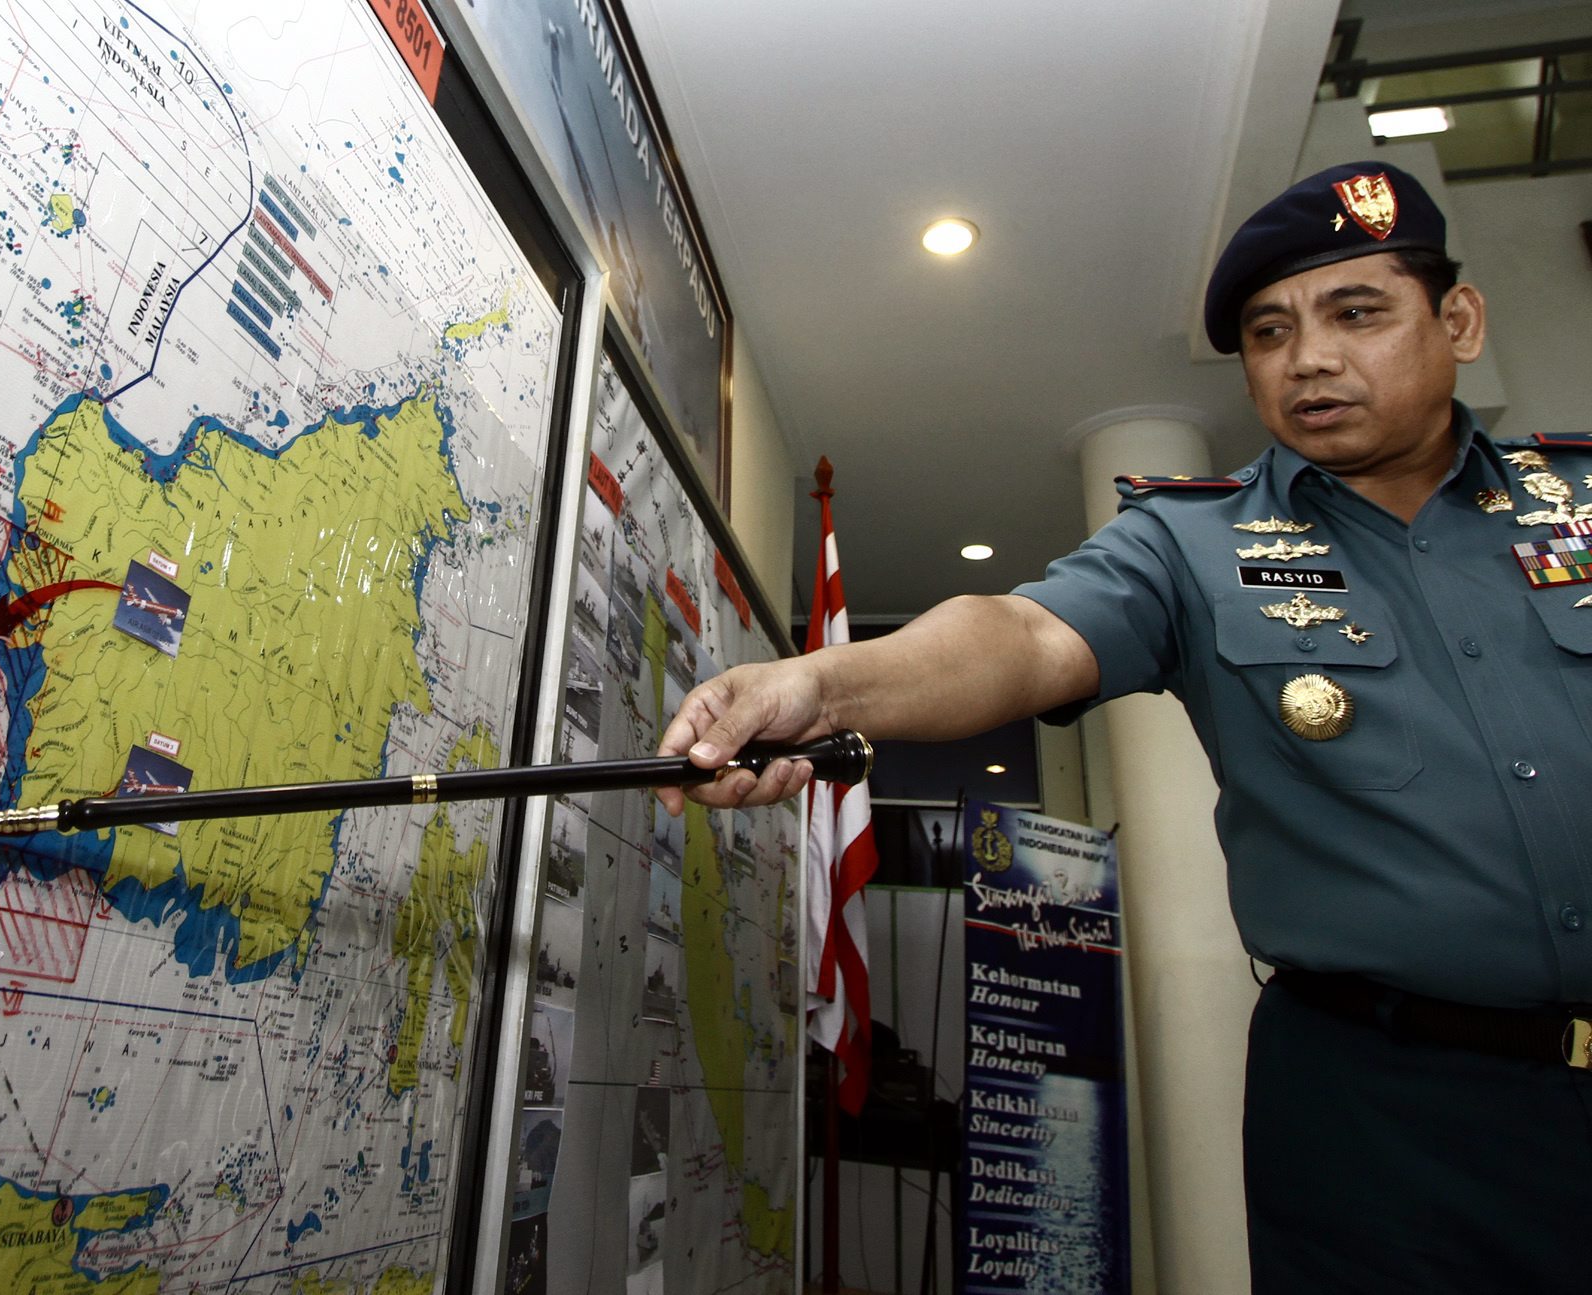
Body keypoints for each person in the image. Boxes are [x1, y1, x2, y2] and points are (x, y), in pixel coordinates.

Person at [656, 160, 1592, 1291]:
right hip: (1383, 1110)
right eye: (1268, 331)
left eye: (1356, 313)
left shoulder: (1579, 503)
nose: (1307, 358)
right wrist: (819, 688)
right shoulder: (1191, 542)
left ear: (1459, 321)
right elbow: (1021, 634)